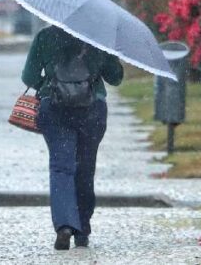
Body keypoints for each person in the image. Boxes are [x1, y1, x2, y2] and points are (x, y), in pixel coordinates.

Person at [22, 24, 124, 251]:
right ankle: (83, 229)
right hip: (92, 109)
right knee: (85, 168)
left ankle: (65, 225)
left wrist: (49, 86)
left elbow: (28, 76)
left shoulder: (45, 36)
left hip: (54, 108)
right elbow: (115, 78)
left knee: (61, 167)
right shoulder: (98, 36)